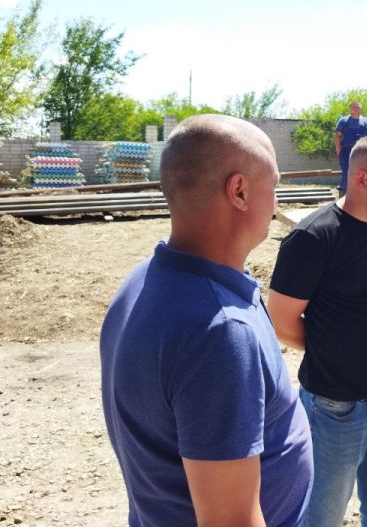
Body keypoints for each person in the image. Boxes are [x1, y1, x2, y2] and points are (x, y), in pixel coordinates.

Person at [100, 114, 313, 527]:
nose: (277, 203)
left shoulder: (145, 278)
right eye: (275, 186)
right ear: (239, 191)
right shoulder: (219, 331)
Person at [268, 134, 367, 527]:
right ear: (362, 179)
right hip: (336, 411)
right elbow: (281, 320)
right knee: (320, 519)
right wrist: (330, 351)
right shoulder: (313, 238)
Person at [334, 100, 367, 197]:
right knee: (347, 175)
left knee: (363, 175)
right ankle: (343, 200)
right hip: (346, 153)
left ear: (361, 109)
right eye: (354, 107)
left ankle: (363, 199)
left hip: (363, 153)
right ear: (350, 108)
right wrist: (339, 152)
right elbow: (337, 137)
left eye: (358, 107)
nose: (356, 109)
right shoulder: (343, 121)